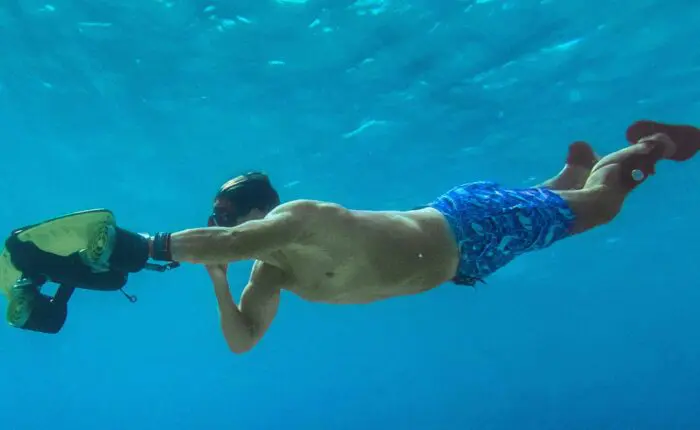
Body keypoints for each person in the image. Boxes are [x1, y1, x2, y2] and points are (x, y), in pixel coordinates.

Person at [8, 120, 700, 351]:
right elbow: (244, 341)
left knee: (600, 211)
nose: (219, 232)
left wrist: (149, 246)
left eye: (225, 219)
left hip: (468, 223)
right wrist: (219, 286)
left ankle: (639, 152)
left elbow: (225, 243)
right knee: (550, 214)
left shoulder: (300, 217)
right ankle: (563, 177)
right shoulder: (266, 271)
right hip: (464, 259)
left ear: (256, 209)